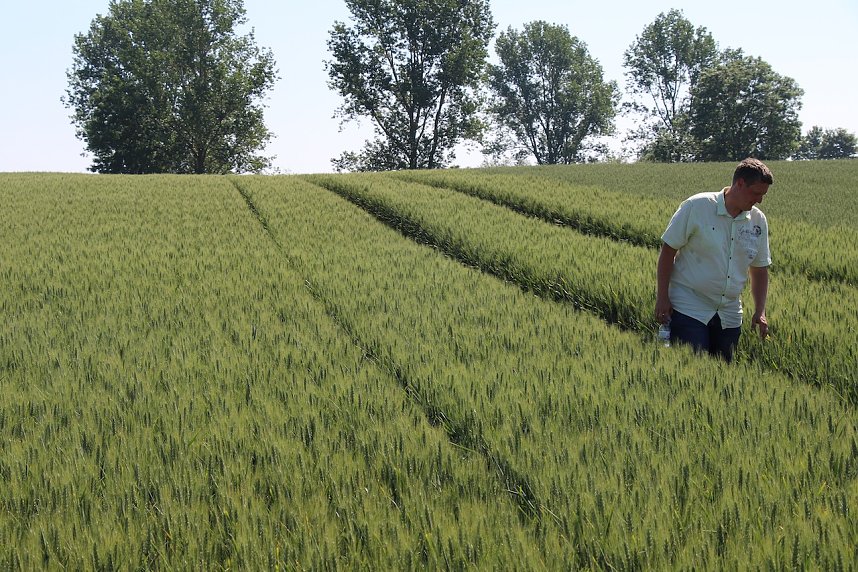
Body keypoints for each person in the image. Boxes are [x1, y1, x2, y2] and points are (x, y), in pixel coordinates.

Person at [655, 158, 772, 362]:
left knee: (721, 378)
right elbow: (668, 251)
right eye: (756, 193)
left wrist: (760, 310)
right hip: (689, 307)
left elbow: (760, 269)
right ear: (740, 184)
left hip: (729, 314)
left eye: (763, 195)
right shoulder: (697, 206)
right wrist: (662, 297)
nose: (759, 200)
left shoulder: (758, 221)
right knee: (691, 373)